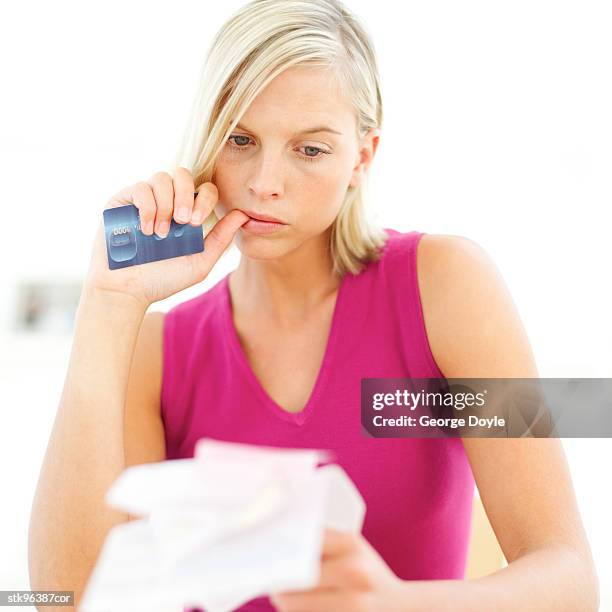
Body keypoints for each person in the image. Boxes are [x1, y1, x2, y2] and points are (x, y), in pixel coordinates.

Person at [28, 0, 599, 610]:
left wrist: (392, 605)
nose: (265, 181)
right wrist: (108, 304)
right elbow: (69, 598)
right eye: (241, 139)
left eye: (310, 149)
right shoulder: (157, 352)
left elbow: (568, 576)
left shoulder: (449, 288)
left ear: (363, 156)